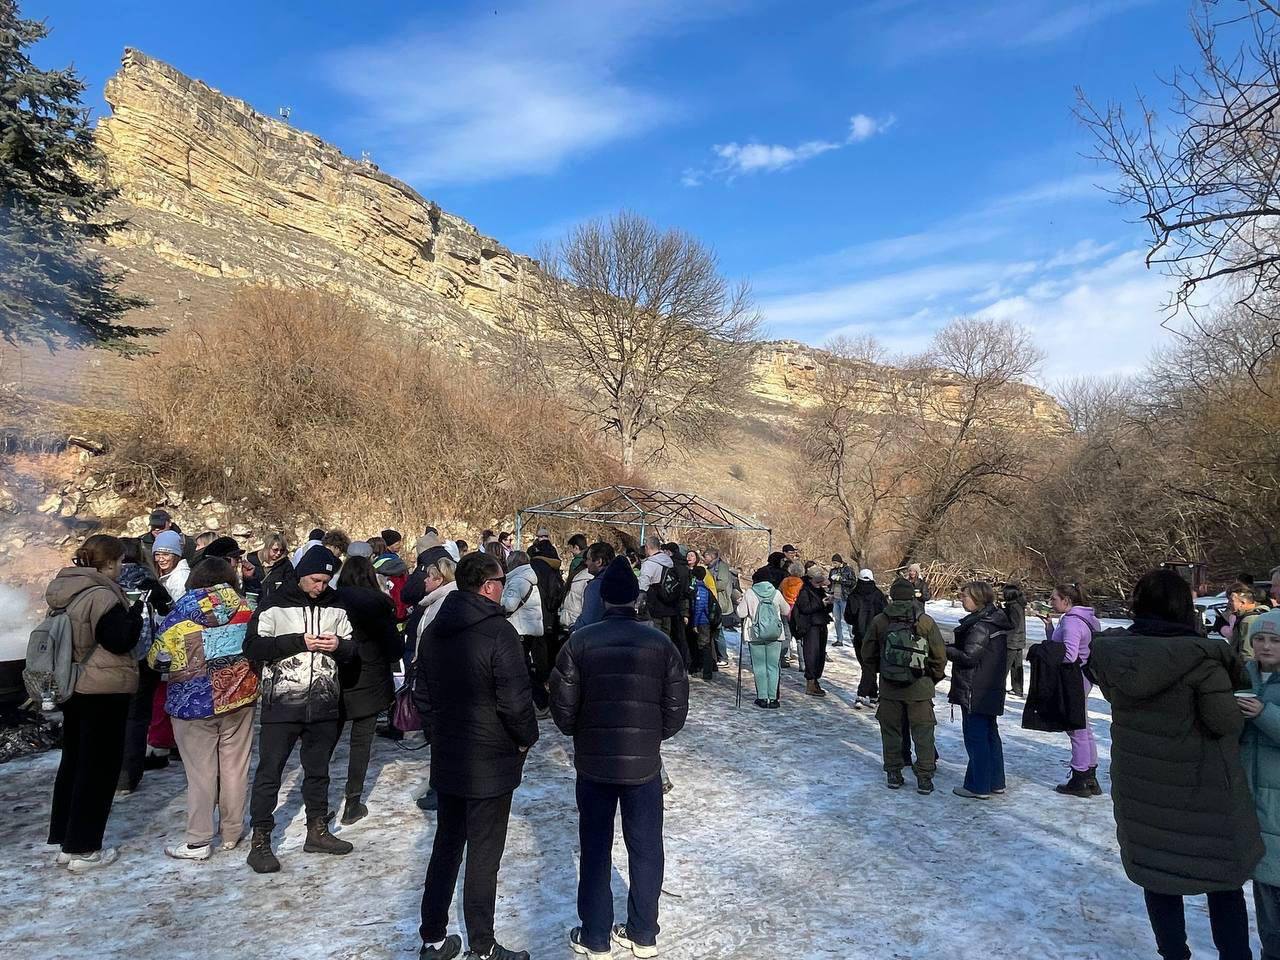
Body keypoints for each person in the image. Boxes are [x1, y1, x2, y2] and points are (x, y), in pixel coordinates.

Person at [1091, 568, 1262, 960]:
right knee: (1223, 881)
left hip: (1143, 791)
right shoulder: (1203, 660)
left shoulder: (1117, 658)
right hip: (1204, 794)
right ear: (1185, 607)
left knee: (1160, 877)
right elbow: (1224, 723)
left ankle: (1173, 955)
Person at [549, 557, 689, 959]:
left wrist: (582, 731)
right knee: (646, 848)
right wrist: (651, 735)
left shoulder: (580, 642)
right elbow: (676, 710)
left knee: (595, 848)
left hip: (593, 764)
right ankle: (644, 932)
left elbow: (562, 708)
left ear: (604, 597)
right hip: (644, 765)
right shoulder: (660, 644)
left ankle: (595, 936)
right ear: (635, 598)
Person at [414, 552, 539, 960]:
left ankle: (433, 937)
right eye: (501, 580)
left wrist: (439, 736)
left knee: (447, 846)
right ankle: (482, 947)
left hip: (451, 757)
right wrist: (524, 740)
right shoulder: (498, 633)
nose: (503, 586)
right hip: (490, 760)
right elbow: (516, 702)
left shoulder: (435, 628)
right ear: (488, 586)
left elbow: (423, 694)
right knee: (484, 856)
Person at [244, 544, 356, 873]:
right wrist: (297, 641)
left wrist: (340, 646)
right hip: (282, 702)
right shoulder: (274, 604)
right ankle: (261, 839)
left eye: (326, 581)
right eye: (316, 581)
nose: (322, 587)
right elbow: (252, 646)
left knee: (318, 771)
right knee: (270, 772)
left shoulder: (337, 605)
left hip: (323, 702)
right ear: (302, 576)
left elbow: (352, 648)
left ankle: (317, 830)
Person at [147, 558, 257, 860]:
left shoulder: (182, 610)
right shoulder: (246, 607)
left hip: (192, 704)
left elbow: (157, 658)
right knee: (236, 768)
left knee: (201, 774)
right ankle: (233, 832)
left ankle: (198, 840)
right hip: (238, 699)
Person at [46, 535, 144, 871]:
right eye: (118, 563)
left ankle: (64, 840)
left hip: (73, 685)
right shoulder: (102, 594)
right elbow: (118, 640)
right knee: (99, 769)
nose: (120, 569)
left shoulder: (64, 590)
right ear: (109, 563)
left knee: (73, 763)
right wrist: (137, 616)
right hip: (103, 688)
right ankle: (85, 847)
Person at [863, 578, 946, 794]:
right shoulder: (925, 621)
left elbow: (867, 654)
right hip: (920, 687)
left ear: (891, 596)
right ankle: (925, 777)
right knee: (923, 733)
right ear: (912, 596)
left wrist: (882, 673)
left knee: (891, 731)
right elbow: (939, 656)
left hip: (890, 689)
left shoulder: (880, 621)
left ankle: (893, 773)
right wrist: (931, 678)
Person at [335, 555, 400, 824]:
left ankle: (314, 804)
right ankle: (352, 802)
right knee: (361, 742)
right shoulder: (377, 603)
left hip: (336, 675)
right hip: (369, 678)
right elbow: (392, 645)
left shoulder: (332, 600)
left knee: (325, 740)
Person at [1034, 583, 1102, 798]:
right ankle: (1090, 776)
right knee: (1083, 726)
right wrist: (1050, 628)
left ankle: (1080, 777)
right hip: (1084, 677)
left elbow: (1069, 655)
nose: (1050, 602)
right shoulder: (1087, 618)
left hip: (1074, 679)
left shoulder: (1072, 621)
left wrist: (1042, 653)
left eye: (1054, 599)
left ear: (1067, 601)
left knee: (1076, 728)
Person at [1238, 610, 1280, 959]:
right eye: (1260, 639)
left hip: (1277, 806)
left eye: (1275, 640)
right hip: (1253, 803)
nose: (1266, 646)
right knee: (1265, 894)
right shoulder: (1244, 676)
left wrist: (1262, 713)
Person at [116, 537, 172, 795]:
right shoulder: (148, 581)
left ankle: (111, 771)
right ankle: (129, 774)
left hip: (113, 655)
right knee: (137, 717)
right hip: (144, 657)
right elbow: (170, 609)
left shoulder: (108, 581)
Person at [947, 581, 1011, 800]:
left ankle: (978, 785)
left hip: (976, 688)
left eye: (965, 595)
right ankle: (995, 781)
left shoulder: (981, 625)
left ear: (977, 598)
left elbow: (969, 656)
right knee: (990, 734)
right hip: (989, 687)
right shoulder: (993, 620)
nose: (962, 598)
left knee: (976, 737)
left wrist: (945, 650)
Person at [736, 569, 791, 708]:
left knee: (759, 666)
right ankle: (773, 699)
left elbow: (741, 613)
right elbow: (786, 611)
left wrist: (740, 602)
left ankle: (762, 697)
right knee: (773, 666)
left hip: (755, 634)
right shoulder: (776, 593)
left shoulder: (750, 593)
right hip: (775, 634)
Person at [502, 551, 547, 715]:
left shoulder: (518, 580)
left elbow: (509, 605)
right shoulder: (528, 578)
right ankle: (541, 701)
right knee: (525, 667)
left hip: (520, 628)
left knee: (523, 669)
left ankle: (542, 702)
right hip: (527, 628)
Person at [845, 569, 887, 709]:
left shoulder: (854, 595)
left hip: (860, 635)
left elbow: (849, 617)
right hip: (876, 636)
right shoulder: (879, 595)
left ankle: (862, 694)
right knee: (870, 666)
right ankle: (873, 695)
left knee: (866, 665)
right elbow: (885, 614)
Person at [793, 566, 832, 697]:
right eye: (817, 581)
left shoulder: (819, 590)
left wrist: (829, 603)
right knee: (812, 654)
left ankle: (815, 680)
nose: (820, 584)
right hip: (811, 626)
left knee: (820, 654)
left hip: (821, 624)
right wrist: (821, 604)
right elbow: (805, 608)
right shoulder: (804, 591)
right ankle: (811, 682)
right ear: (810, 580)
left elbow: (823, 607)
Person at [573, 542, 616, 632]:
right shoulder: (622, 581)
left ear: (599, 562)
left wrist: (574, 628)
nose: (586, 562)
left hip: (597, 638)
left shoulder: (596, 586)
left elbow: (588, 621)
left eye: (588, 559)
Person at [1224, 580, 1270, 661]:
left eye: (1231, 601)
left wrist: (1244, 671)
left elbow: (1247, 653)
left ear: (1243, 602)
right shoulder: (1261, 614)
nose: (1228, 604)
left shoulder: (1248, 620)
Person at [704, 547, 734, 665]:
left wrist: (707, 584)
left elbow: (721, 584)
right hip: (713, 601)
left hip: (721, 602)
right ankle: (716, 656)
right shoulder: (710, 568)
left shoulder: (722, 567)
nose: (704, 558)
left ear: (712, 557)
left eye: (706, 556)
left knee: (718, 631)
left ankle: (723, 657)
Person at [688, 565, 719, 682]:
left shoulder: (700, 589)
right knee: (703, 645)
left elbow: (700, 608)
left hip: (703, 621)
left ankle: (706, 672)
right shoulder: (704, 587)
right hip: (704, 621)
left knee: (704, 646)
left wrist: (695, 624)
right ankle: (703, 669)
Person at [244, 532, 293, 602]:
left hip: (275, 605)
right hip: (253, 602)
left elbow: (290, 585)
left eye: (282, 550)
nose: (279, 553)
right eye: (275, 550)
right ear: (267, 547)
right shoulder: (250, 560)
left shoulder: (285, 564)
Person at [560, 546, 595, 634]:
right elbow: (589, 610)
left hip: (570, 621)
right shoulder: (589, 578)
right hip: (578, 624)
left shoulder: (578, 574)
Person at [1002, 583, 1028, 697]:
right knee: (1016, 666)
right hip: (1019, 640)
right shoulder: (1018, 605)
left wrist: (1005, 636)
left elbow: (1013, 625)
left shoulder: (1013, 607)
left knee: (1004, 666)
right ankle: (1018, 689)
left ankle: (998, 686)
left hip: (1012, 641)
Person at [779, 561, 805, 671]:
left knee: (786, 635)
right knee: (799, 639)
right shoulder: (802, 583)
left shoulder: (785, 581)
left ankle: (784, 659)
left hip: (785, 609)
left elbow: (779, 592)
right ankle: (802, 664)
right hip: (798, 611)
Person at [152, 530, 191, 602]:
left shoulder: (179, 579)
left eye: (166, 554)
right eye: (157, 555)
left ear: (176, 556)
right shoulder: (168, 573)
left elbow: (183, 609)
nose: (161, 559)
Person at [829, 555, 854, 646]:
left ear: (840, 562)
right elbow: (829, 582)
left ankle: (853, 638)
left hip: (845, 598)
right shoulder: (832, 571)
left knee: (848, 620)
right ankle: (839, 639)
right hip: (835, 598)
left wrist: (841, 579)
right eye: (833, 563)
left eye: (835, 563)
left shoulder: (848, 570)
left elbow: (852, 583)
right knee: (837, 620)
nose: (834, 564)